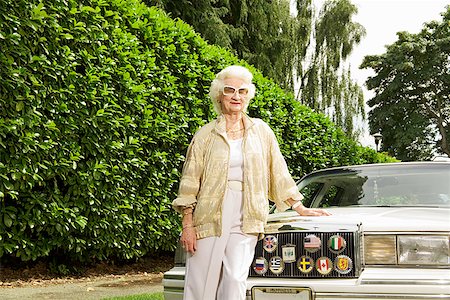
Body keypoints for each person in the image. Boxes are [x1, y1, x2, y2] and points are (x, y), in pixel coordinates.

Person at [172, 65, 330, 300]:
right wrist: (187, 224)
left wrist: (299, 206)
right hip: (209, 213)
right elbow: (189, 181)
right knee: (201, 279)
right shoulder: (205, 135)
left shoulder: (261, 131)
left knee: (236, 277)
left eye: (242, 91)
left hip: (248, 212)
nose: (236, 96)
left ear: (248, 95)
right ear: (219, 95)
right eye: (230, 90)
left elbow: (278, 169)